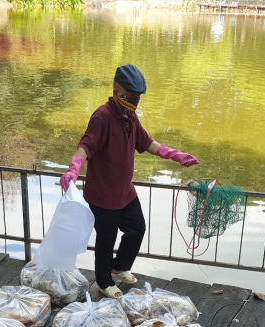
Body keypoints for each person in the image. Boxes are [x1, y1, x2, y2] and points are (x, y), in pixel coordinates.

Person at [59, 64, 199, 299]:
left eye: (137, 98)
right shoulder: (102, 117)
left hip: (125, 192)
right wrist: (73, 169)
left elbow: (147, 143)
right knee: (106, 241)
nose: (134, 102)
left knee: (137, 229)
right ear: (116, 90)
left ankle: (119, 267)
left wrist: (175, 155)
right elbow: (84, 147)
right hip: (103, 195)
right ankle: (104, 282)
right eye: (130, 96)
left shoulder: (130, 117)